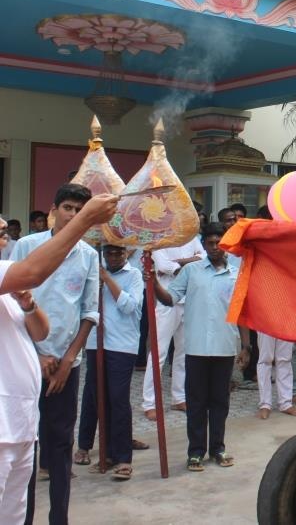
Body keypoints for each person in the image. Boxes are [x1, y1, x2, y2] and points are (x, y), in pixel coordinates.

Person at [0, 198, 117, 525]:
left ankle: (59, 518)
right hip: (17, 394)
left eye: (4, 234)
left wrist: (67, 358)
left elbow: (71, 317)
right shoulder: (25, 250)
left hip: (57, 371)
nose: (4, 240)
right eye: (69, 208)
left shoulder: (89, 256)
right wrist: (88, 220)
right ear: (54, 209)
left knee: (56, 447)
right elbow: (32, 274)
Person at [148, 223, 250, 472]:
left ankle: (218, 448)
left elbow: (241, 312)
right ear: (204, 245)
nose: (215, 247)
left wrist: (246, 346)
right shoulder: (191, 271)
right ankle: (195, 452)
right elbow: (170, 299)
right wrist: (153, 283)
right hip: (196, 348)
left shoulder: (236, 274)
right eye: (210, 243)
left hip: (225, 347)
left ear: (225, 244)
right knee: (196, 402)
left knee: (220, 402)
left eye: (219, 242)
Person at [75, 244, 143, 480]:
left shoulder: (134, 275)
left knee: (118, 399)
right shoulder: (95, 273)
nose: (113, 257)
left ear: (127, 253)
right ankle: (106, 452)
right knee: (97, 398)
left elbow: (129, 306)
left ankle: (123, 457)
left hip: (122, 345)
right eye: (109, 253)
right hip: (96, 343)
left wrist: (107, 280)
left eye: (118, 253)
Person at [141, 236, 204, 420]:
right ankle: (149, 402)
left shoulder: (191, 236)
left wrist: (179, 263)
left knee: (183, 352)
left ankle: (179, 397)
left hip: (189, 298)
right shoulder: (159, 238)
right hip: (166, 298)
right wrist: (188, 263)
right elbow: (165, 267)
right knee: (158, 353)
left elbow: (203, 257)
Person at [256, 333, 296, 419]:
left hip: (286, 320)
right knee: (265, 359)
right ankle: (265, 404)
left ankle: (285, 403)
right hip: (265, 320)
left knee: (285, 359)